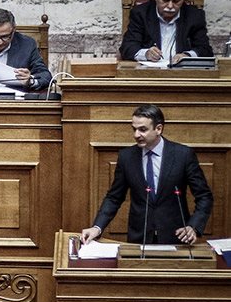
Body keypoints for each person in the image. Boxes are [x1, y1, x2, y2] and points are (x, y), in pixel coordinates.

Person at [81, 104, 213, 245]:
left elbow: (204, 196)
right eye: (134, 129)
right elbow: (114, 197)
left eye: (142, 130)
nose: (136, 135)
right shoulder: (126, 157)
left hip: (176, 237)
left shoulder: (183, 155)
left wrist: (193, 226)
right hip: (140, 238)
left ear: (158, 129)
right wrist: (97, 227)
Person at [119, 0, 213, 63]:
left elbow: (205, 50)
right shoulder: (141, 13)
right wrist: (146, 54)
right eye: (165, 0)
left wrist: (187, 56)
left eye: (176, 1)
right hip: (149, 71)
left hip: (182, 72)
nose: (170, 6)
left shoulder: (194, 16)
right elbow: (127, 47)